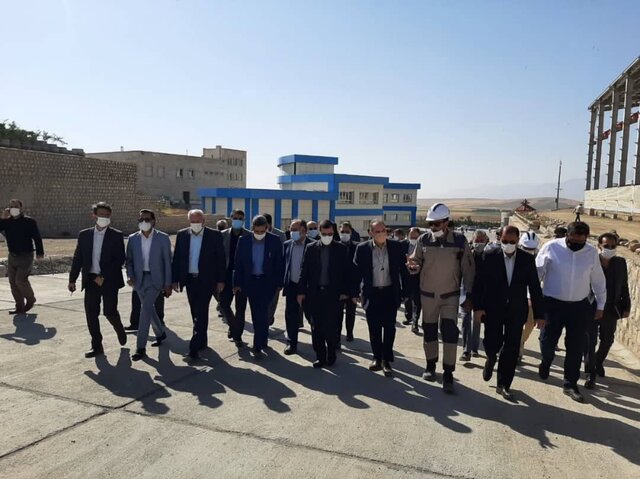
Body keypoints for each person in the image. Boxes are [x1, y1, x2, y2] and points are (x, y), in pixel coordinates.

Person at [407, 203, 475, 393]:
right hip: (428, 295)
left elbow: (468, 269)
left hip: (450, 296)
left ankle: (448, 373)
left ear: (446, 222)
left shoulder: (459, 241)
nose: (433, 227)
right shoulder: (423, 240)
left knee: (449, 333)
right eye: (430, 224)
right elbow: (415, 260)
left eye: (436, 223)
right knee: (429, 332)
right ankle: (430, 366)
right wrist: (413, 267)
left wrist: (468, 294)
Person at [536, 221, 606, 402]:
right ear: (567, 235)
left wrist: (600, 305)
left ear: (586, 238)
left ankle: (570, 384)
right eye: (573, 239)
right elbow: (537, 274)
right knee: (547, 342)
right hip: (552, 305)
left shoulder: (591, 253)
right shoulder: (551, 247)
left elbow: (598, 280)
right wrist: (532, 299)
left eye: (581, 241)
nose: (576, 243)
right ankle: (546, 361)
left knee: (575, 347)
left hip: (579, 307)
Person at [473, 226, 544, 400]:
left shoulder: (527, 259)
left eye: (512, 242)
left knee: (511, 348)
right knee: (492, 342)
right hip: (493, 308)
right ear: (500, 238)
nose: (508, 244)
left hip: (516, 310)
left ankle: (504, 384)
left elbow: (535, 287)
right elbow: (479, 283)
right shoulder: (489, 256)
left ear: (518, 240)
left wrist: (539, 314)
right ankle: (491, 359)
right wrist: (478, 307)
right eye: (505, 241)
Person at [68, 202, 127, 358]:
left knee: (110, 311)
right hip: (90, 279)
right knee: (91, 314)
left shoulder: (116, 235)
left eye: (107, 215)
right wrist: (72, 279)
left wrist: (103, 276)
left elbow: (120, 259)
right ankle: (97, 346)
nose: (104, 218)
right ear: (93, 216)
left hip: (109, 279)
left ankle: (119, 328)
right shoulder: (84, 235)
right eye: (101, 215)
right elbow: (78, 258)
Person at [354, 220, 408, 377]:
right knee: (374, 329)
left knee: (390, 328)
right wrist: (354, 292)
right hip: (372, 294)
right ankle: (377, 357)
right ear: (370, 233)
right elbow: (356, 272)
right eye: (377, 231)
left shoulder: (396, 247)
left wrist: (405, 292)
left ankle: (387, 359)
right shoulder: (362, 249)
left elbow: (403, 271)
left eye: (383, 230)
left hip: (390, 293)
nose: (381, 234)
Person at [172, 210, 226, 361]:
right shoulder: (182, 234)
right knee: (195, 312)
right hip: (189, 280)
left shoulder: (214, 235)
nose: (195, 224)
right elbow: (177, 258)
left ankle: (193, 349)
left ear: (203, 221)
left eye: (198, 221)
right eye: (192, 221)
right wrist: (175, 279)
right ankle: (202, 340)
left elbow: (221, 259)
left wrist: (221, 280)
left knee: (200, 312)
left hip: (206, 280)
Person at [298, 220, 353, 368]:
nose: (327, 236)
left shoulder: (340, 249)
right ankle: (320, 357)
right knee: (316, 327)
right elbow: (304, 270)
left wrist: (345, 292)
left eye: (330, 234)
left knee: (331, 327)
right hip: (315, 293)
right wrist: (301, 292)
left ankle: (331, 354)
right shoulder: (311, 248)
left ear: (333, 233)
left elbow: (347, 272)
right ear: (320, 232)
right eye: (324, 234)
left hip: (333, 294)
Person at [583, 233, 631, 389]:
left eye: (612, 246)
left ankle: (598, 362)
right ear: (599, 246)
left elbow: (624, 285)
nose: (609, 249)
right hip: (592, 307)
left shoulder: (620, 263)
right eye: (606, 246)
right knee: (590, 341)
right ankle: (590, 374)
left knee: (608, 339)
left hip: (611, 308)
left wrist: (627, 306)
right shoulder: (591, 261)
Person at [233, 215, 284, 358]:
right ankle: (261, 340)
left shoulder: (274, 241)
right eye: (257, 231)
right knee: (254, 313)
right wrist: (236, 283)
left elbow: (279, 263)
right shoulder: (244, 241)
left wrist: (279, 283)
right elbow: (238, 264)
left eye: (262, 231)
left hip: (266, 283)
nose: (259, 234)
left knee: (261, 315)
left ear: (267, 228)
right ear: (252, 228)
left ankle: (258, 345)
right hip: (248, 282)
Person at [125, 209, 173, 361]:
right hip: (139, 280)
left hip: (155, 280)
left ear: (153, 221)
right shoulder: (133, 238)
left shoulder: (163, 238)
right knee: (149, 309)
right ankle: (160, 333)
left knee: (145, 311)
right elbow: (129, 261)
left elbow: (167, 262)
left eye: (147, 219)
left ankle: (140, 347)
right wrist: (130, 275)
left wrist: (168, 283)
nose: (144, 222)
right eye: (141, 219)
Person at [0, 199, 44, 314]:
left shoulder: (29, 221)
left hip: (26, 256)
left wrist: (40, 253)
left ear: (21, 208)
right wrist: (2, 218)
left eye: (16, 206)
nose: (14, 208)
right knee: (13, 283)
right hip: (12, 256)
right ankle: (19, 307)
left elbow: (37, 237)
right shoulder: (7, 222)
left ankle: (30, 299)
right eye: (11, 206)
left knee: (20, 280)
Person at [282, 219, 313, 355]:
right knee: (291, 316)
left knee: (312, 316)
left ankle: (320, 343)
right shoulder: (287, 245)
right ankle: (291, 343)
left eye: (295, 230)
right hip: (292, 286)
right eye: (291, 229)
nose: (292, 232)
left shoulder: (313, 245)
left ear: (304, 231)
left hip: (308, 288)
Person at [221, 209, 251, 347]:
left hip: (242, 277)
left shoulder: (249, 236)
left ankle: (237, 336)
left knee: (240, 308)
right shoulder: (222, 235)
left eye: (240, 218)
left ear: (244, 220)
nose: (237, 220)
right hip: (226, 275)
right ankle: (233, 326)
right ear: (231, 218)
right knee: (224, 305)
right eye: (235, 218)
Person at [460, 230, 488, 361]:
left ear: (486, 241)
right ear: (472, 240)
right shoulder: (466, 255)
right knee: (465, 321)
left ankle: (475, 348)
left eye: (482, 240)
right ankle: (466, 351)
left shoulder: (489, 257)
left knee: (477, 322)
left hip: (481, 296)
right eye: (477, 240)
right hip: (466, 293)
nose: (479, 243)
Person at [517, 231, 540, 363]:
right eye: (526, 248)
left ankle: (520, 342)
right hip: (516, 296)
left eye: (532, 249)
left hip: (531, 297)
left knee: (530, 324)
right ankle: (517, 351)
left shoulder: (540, 257)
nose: (529, 251)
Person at [337, 221, 359, 344]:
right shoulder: (334, 246)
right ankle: (337, 335)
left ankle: (349, 332)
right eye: (342, 231)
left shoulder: (357, 247)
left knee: (351, 312)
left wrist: (357, 290)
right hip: (339, 287)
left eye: (347, 232)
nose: (344, 234)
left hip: (352, 286)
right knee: (337, 314)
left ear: (351, 232)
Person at [263, 213, 286, 327]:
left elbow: (283, 256)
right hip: (261, 275)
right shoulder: (257, 234)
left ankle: (268, 319)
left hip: (275, 274)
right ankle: (265, 320)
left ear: (269, 224)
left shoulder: (280, 235)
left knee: (272, 301)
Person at [403, 227, 422, 334]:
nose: (413, 238)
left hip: (418, 276)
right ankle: (408, 316)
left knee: (416, 300)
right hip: (406, 276)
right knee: (407, 298)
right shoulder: (403, 245)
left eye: (415, 236)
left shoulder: (423, 246)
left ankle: (415, 322)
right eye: (411, 236)